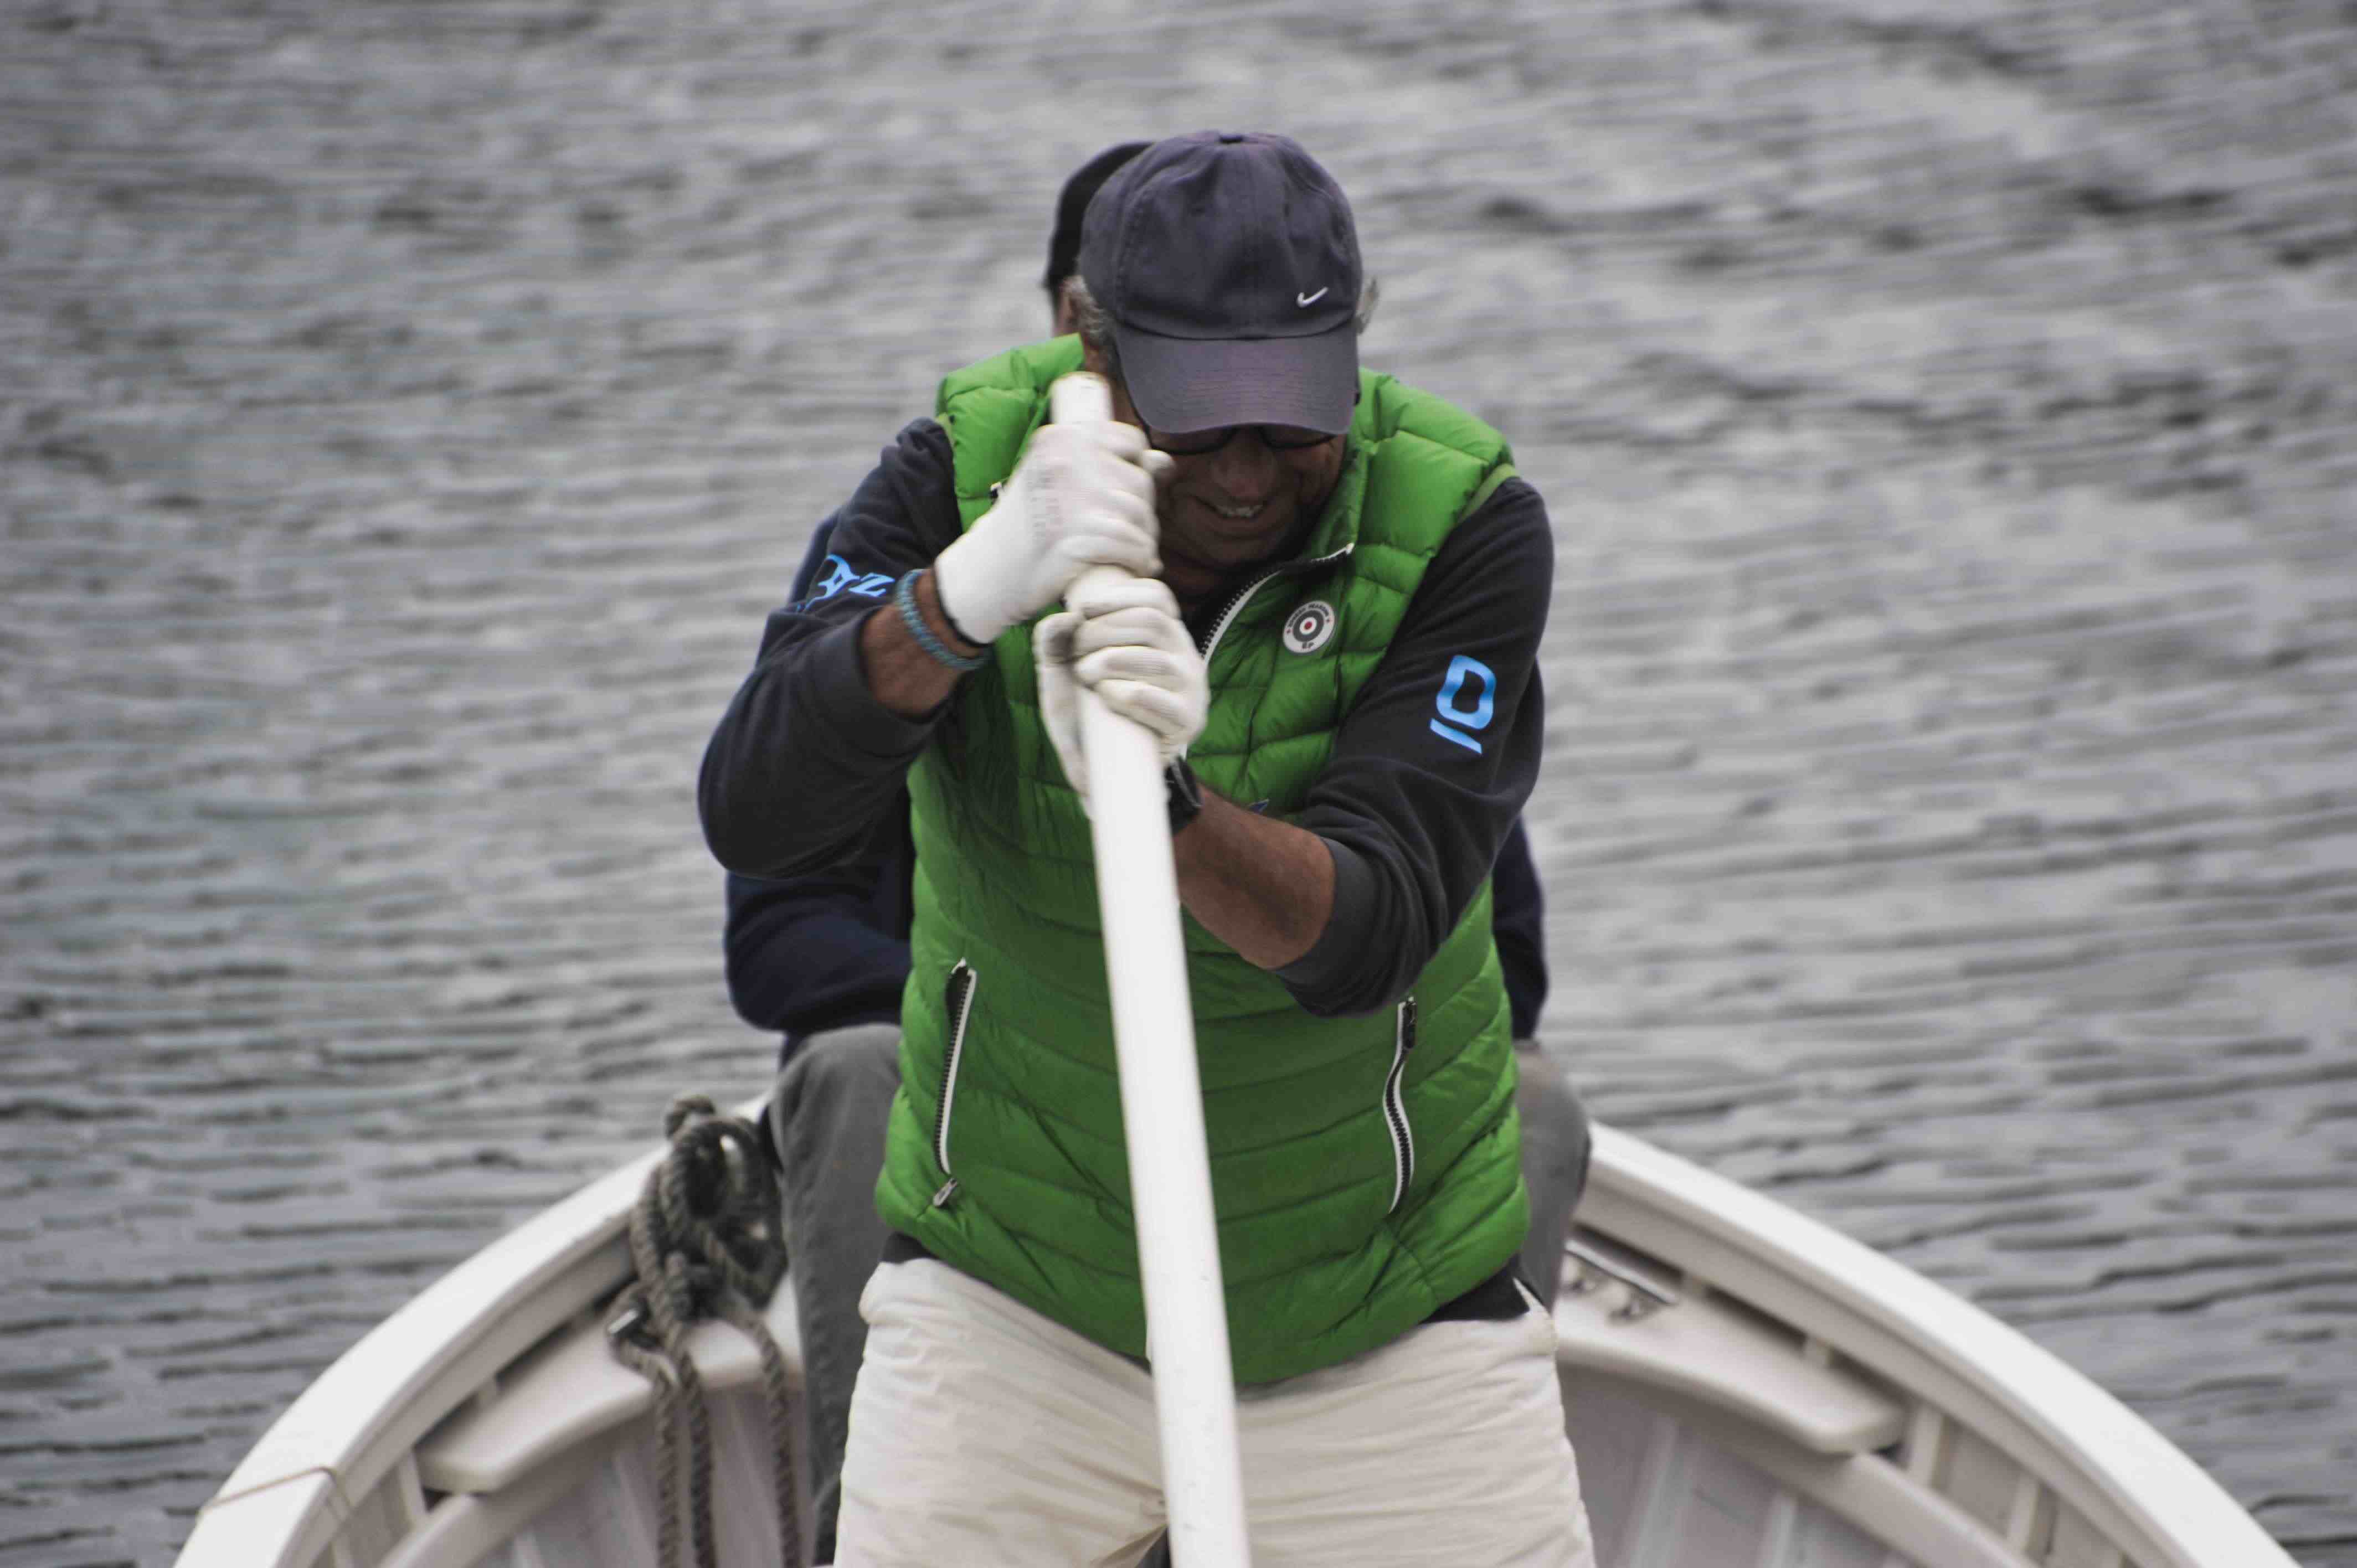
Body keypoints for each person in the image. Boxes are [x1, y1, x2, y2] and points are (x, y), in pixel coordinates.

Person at [703, 130, 1594, 1566]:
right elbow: (758, 815)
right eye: (1199, 425)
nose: (1245, 476)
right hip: (1014, 1297)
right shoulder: (955, 477)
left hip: (1386, 1306)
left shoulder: (1462, 525)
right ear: (1089, 347)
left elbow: (1369, 938)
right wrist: (960, 602)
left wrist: (1164, 805)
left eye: (1290, 426)